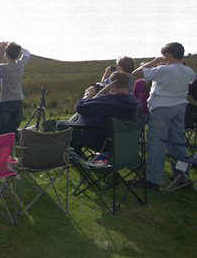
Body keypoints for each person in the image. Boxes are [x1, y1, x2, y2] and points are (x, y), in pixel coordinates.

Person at [130, 42, 196, 190]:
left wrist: (155, 61)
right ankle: (182, 176)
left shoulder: (164, 70)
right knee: (177, 142)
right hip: (180, 108)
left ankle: (153, 180)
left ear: (167, 55)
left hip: (163, 108)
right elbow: (191, 80)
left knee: (156, 143)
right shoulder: (188, 71)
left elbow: (136, 73)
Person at [57, 71, 139, 157]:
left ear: (112, 86)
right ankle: (79, 157)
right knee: (76, 130)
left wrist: (88, 94)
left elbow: (80, 107)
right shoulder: (134, 102)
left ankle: (80, 158)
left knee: (62, 124)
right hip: (123, 142)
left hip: (100, 141)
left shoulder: (105, 100)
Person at [0, 41, 30, 139]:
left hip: (6, 101)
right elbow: (27, 52)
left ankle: (5, 152)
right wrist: (18, 49)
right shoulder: (20, 64)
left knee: (3, 131)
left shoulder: (2, 68)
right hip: (18, 101)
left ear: (6, 54)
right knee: (13, 129)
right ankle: (13, 149)